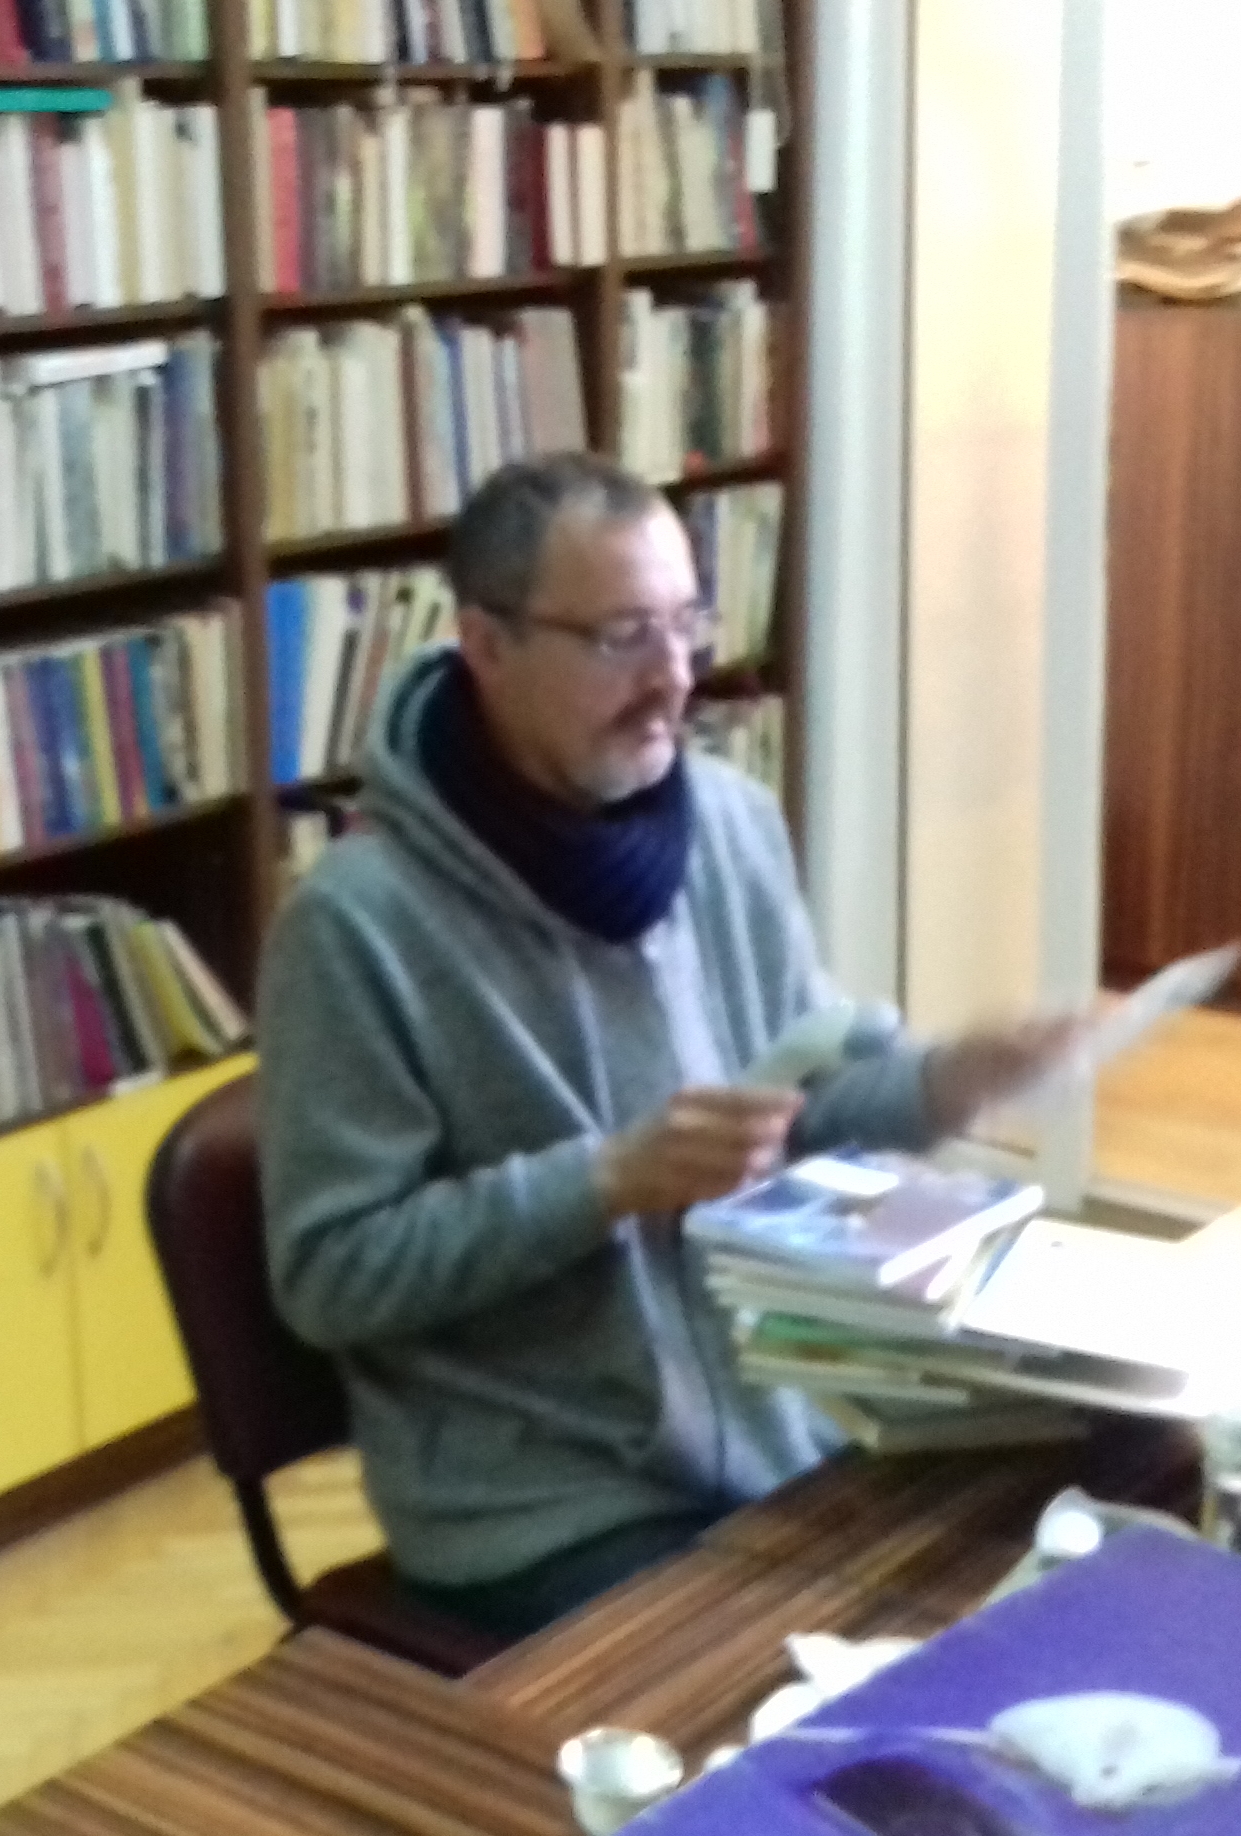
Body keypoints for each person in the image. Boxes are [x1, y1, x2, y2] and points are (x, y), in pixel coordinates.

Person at [256, 451, 1075, 1642]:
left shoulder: (729, 820)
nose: (673, 680)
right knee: (814, 1697)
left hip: (778, 1422)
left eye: (686, 624)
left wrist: (946, 1081)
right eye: (621, 638)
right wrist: (605, 1183)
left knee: (1038, 1555)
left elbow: (801, 1106)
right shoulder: (355, 924)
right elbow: (332, 1274)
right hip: (545, 1502)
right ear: (486, 646)